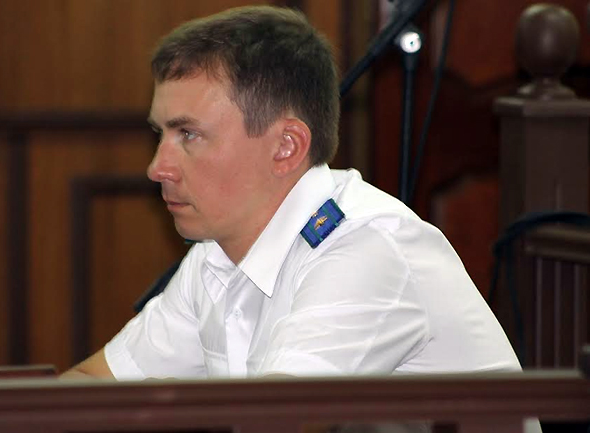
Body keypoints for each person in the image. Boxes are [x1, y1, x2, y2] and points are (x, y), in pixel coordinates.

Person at [63, 5, 521, 382]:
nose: (157, 168)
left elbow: (279, 421)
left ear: (286, 146)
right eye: (160, 134)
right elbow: (93, 385)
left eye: (189, 135)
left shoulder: (364, 249)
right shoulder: (215, 255)